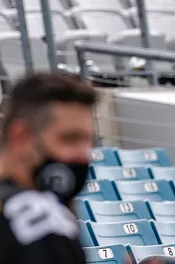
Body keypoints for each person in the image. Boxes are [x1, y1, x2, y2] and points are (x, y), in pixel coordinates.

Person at [0, 73, 97, 264]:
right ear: (21, 137)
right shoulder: (39, 218)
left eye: (88, 141)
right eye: (70, 139)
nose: (83, 154)